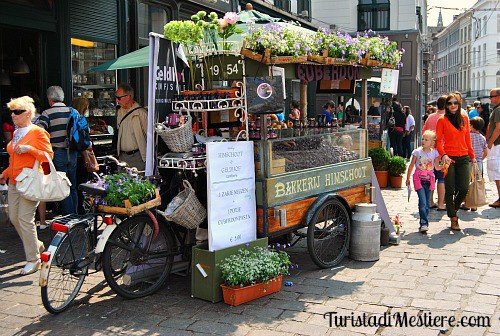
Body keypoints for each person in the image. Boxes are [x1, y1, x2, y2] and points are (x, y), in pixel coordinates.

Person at [0, 96, 53, 275]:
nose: (13, 115)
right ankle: (36, 245)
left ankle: (33, 259)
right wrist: (5, 174)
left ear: (28, 114)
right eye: (12, 112)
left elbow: (48, 157)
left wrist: (30, 149)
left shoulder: (37, 132)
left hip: (31, 181)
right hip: (15, 181)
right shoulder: (16, 133)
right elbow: (14, 159)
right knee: (14, 218)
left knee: (25, 219)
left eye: (17, 112)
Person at [436, 93, 476, 230]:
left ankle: (453, 208)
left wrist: (473, 156)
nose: (452, 105)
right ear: (446, 105)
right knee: (450, 188)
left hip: (464, 156)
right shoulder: (442, 120)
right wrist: (443, 154)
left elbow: (468, 139)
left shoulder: (464, 118)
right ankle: (453, 218)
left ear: (459, 104)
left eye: (455, 103)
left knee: (464, 188)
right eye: (449, 103)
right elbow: (438, 141)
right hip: (449, 159)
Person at [36, 86, 78, 215]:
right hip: (73, 152)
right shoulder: (73, 111)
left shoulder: (47, 114)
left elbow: (38, 133)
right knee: (72, 185)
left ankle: (69, 216)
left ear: (49, 99)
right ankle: (75, 214)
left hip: (58, 152)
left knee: (62, 185)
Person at [406, 130, 442, 233]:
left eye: (426, 139)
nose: (423, 141)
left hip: (429, 180)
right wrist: (408, 178)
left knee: (427, 204)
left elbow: (436, 167)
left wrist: (444, 166)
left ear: (432, 142)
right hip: (419, 180)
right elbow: (411, 165)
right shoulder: (417, 152)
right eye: (423, 139)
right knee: (422, 202)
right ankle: (424, 223)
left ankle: (423, 218)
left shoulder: (434, 153)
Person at [423, 95, 447, 211]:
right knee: (442, 178)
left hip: (430, 151)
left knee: (430, 176)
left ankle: (430, 201)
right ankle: (441, 203)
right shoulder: (447, 118)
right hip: (443, 151)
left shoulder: (431, 117)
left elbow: (424, 132)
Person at [116, 83, 147, 171]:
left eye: (119, 98)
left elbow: (149, 136)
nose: (117, 100)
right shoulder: (120, 112)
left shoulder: (141, 113)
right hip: (122, 156)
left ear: (128, 97)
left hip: (137, 156)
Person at [460, 116, 488, 212]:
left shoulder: (468, 136)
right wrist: (480, 159)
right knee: (476, 183)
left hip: (468, 161)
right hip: (478, 163)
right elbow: (486, 151)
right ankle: (475, 204)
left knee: (466, 183)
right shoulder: (482, 138)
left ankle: (467, 203)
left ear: (471, 126)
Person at [72, 97, 91, 215]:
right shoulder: (81, 120)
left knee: (73, 185)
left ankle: (74, 209)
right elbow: (84, 141)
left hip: (72, 155)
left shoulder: (71, 117)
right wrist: (86, 156)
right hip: (81, 155)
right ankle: (80, 209)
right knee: (81, 185)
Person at [487, 88, 500, 208]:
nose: (490, 99)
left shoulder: (498, 110)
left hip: (497, 144)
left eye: (492, 96)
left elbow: (498, 128)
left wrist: (490, 141)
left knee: (497, 172)